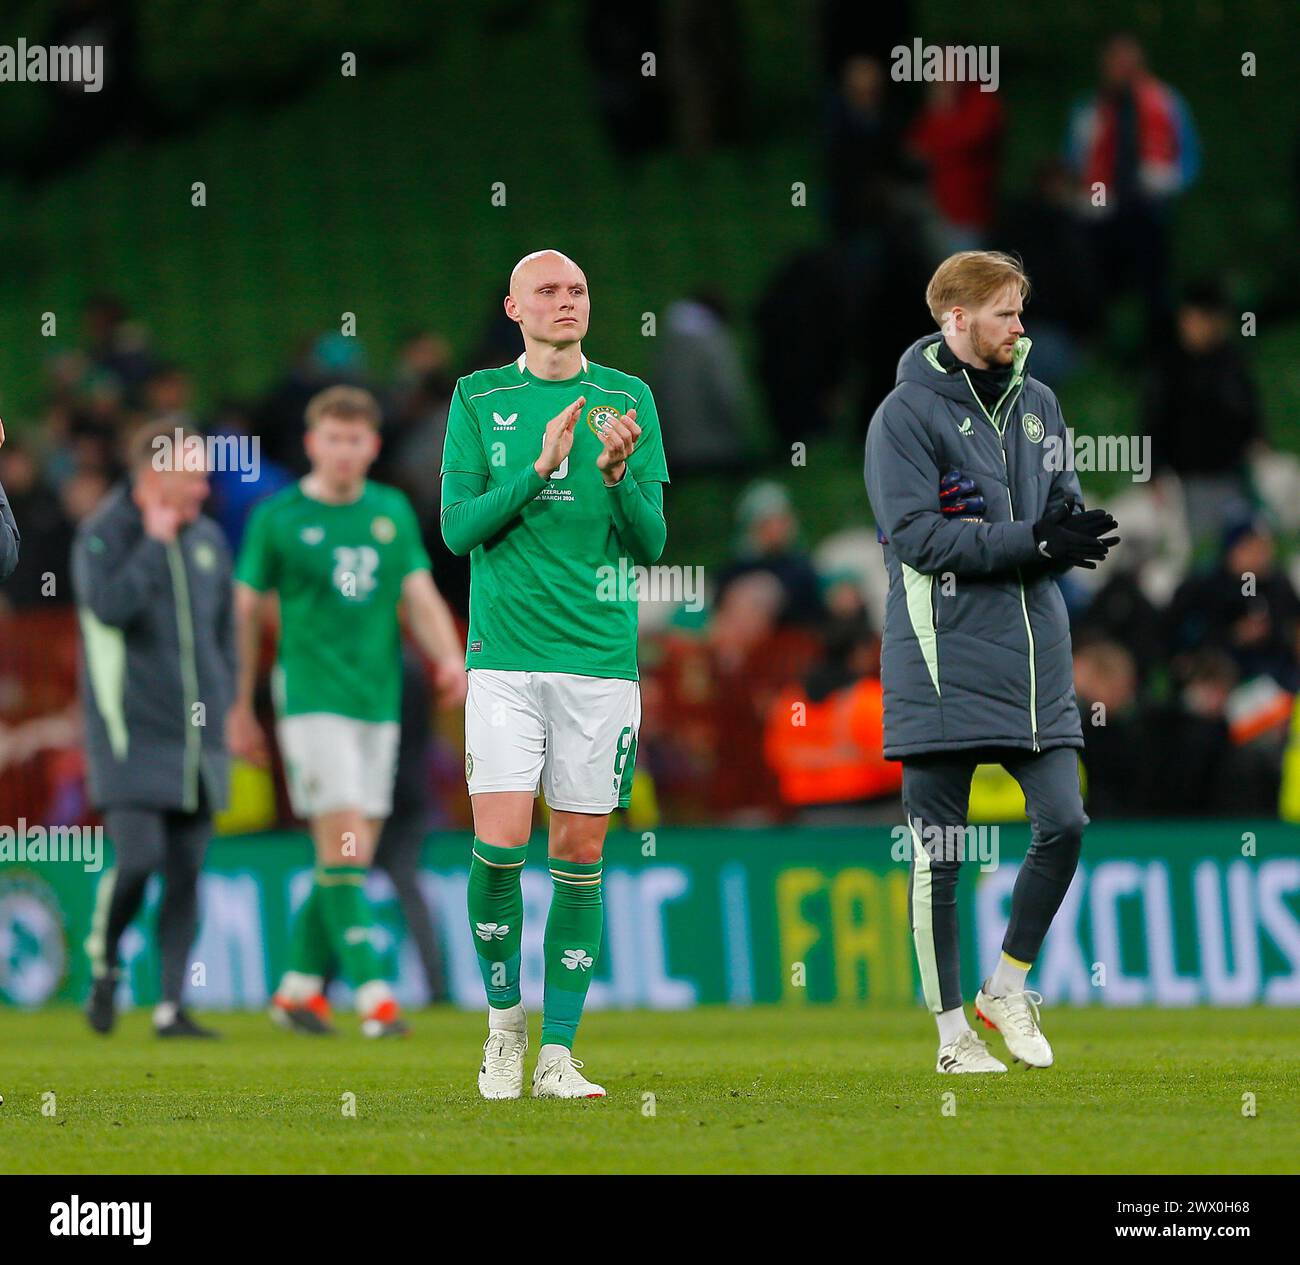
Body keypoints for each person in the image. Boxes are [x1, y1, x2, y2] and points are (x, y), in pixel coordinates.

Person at [864, 250, 1121, 1073]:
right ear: (956, 319)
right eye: (1006, 313)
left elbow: (1058, 508)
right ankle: (951, 1039)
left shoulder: (1039, 402)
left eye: (1020, 311)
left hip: (1035, 656)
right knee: (939, 854)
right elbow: (918, 539)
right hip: (938, 657)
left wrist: (1061, 530)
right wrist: (1029, 538)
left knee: (1066, 821)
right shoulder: (903, 417)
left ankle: (1006, 982)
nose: (1020, 327)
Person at [440, 249, 669, 1099]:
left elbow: (651, 543)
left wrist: (614, 479)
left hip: (600, 665)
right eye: (548, 290)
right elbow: (459, 529)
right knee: (500, 845)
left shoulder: (630, 399)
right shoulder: (478, 398)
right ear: (513, 307)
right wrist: (537, 470)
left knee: (578, 851)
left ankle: (559, 1052)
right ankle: (504, 1027)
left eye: (577, 289)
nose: (566, 301)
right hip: (502, 659)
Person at [228, 386, 466, 1038]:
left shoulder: (388, 511)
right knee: (345, 844)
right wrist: (237, 702)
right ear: (312, 444)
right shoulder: (278, 517)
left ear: (372, 446)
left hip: (378, 704)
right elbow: (245, 610)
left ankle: (298, 991)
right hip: (310, 702)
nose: (343, 451)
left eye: (355, 439)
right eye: (332, 438)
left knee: (346, 860)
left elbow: (419, 593)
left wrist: (450, 659)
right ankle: (375, 995)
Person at [75, 422, 232, 1038]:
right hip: (129, 732)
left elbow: (221, 637)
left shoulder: (211, 540)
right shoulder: (103, 534)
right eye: (190, 473)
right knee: (139, 860)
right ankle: (108, 964)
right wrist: (151, 543)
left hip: (199, 737)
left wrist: (230, 706)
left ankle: (170, 1006)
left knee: (188, 869)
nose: (202, 485)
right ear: (152, 475)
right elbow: (108, 608)